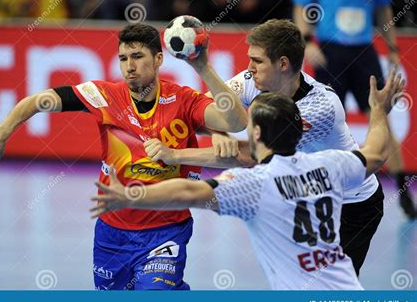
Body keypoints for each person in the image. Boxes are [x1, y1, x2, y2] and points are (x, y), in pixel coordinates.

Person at [0, 23, 248, 290]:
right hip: (112, 232)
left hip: (166, 230)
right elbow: (38, 101)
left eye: (137, 56)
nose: (129, 67)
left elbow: (236, 122)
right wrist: (2, 132)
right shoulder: (104, 96)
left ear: (160, 58)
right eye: (123, 58)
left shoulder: (183, 100)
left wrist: (203, 67)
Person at [90, 70, 404, 290]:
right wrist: (379, 110)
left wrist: (131, 196)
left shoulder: (253, 185)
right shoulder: (330, 164)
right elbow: (375, 153)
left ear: (255, 133)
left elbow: (188, 191)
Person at [141, 19, 386, 276]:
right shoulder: (251, 80)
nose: (249, 68)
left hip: (351, 204)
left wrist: (175, 156)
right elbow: (204, 112)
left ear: (282, 64)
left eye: (257, 61)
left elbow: (249, 155)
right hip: (300, 193)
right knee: (297, 280)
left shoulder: (321, 106)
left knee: (327, 285)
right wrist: (218, 131)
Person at [293, 0, 416, 219]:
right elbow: (301, 6)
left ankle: (403, 192)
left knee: (382, 117)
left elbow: (383, 10)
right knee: (323, 122)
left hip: (363, 52)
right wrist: (307, 41)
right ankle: (315, 190)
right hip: (330, 51)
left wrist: (393, 47)